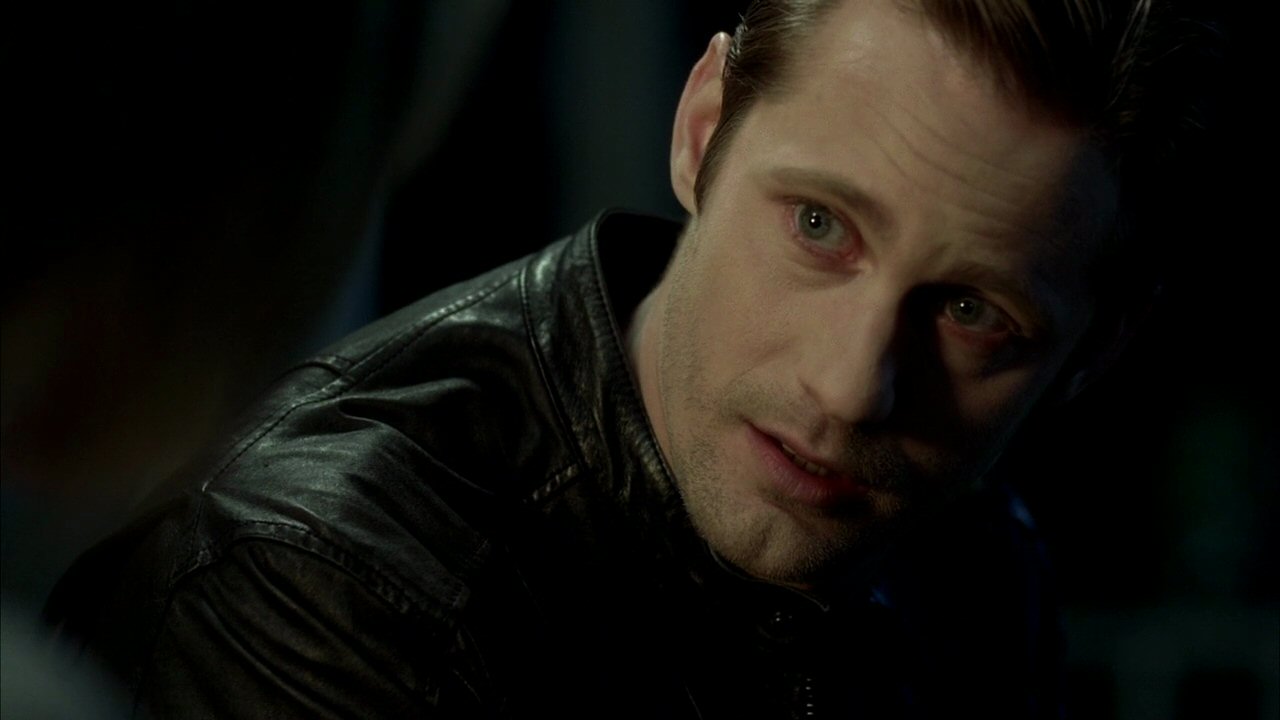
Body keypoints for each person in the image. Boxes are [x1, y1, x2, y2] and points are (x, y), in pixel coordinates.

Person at [45, 0, 1209, 716]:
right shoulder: (323, 581)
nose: (851, 387)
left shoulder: (976, 562)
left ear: (1094, 350)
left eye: (968, 312)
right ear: (701, 131)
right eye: (817, 226)